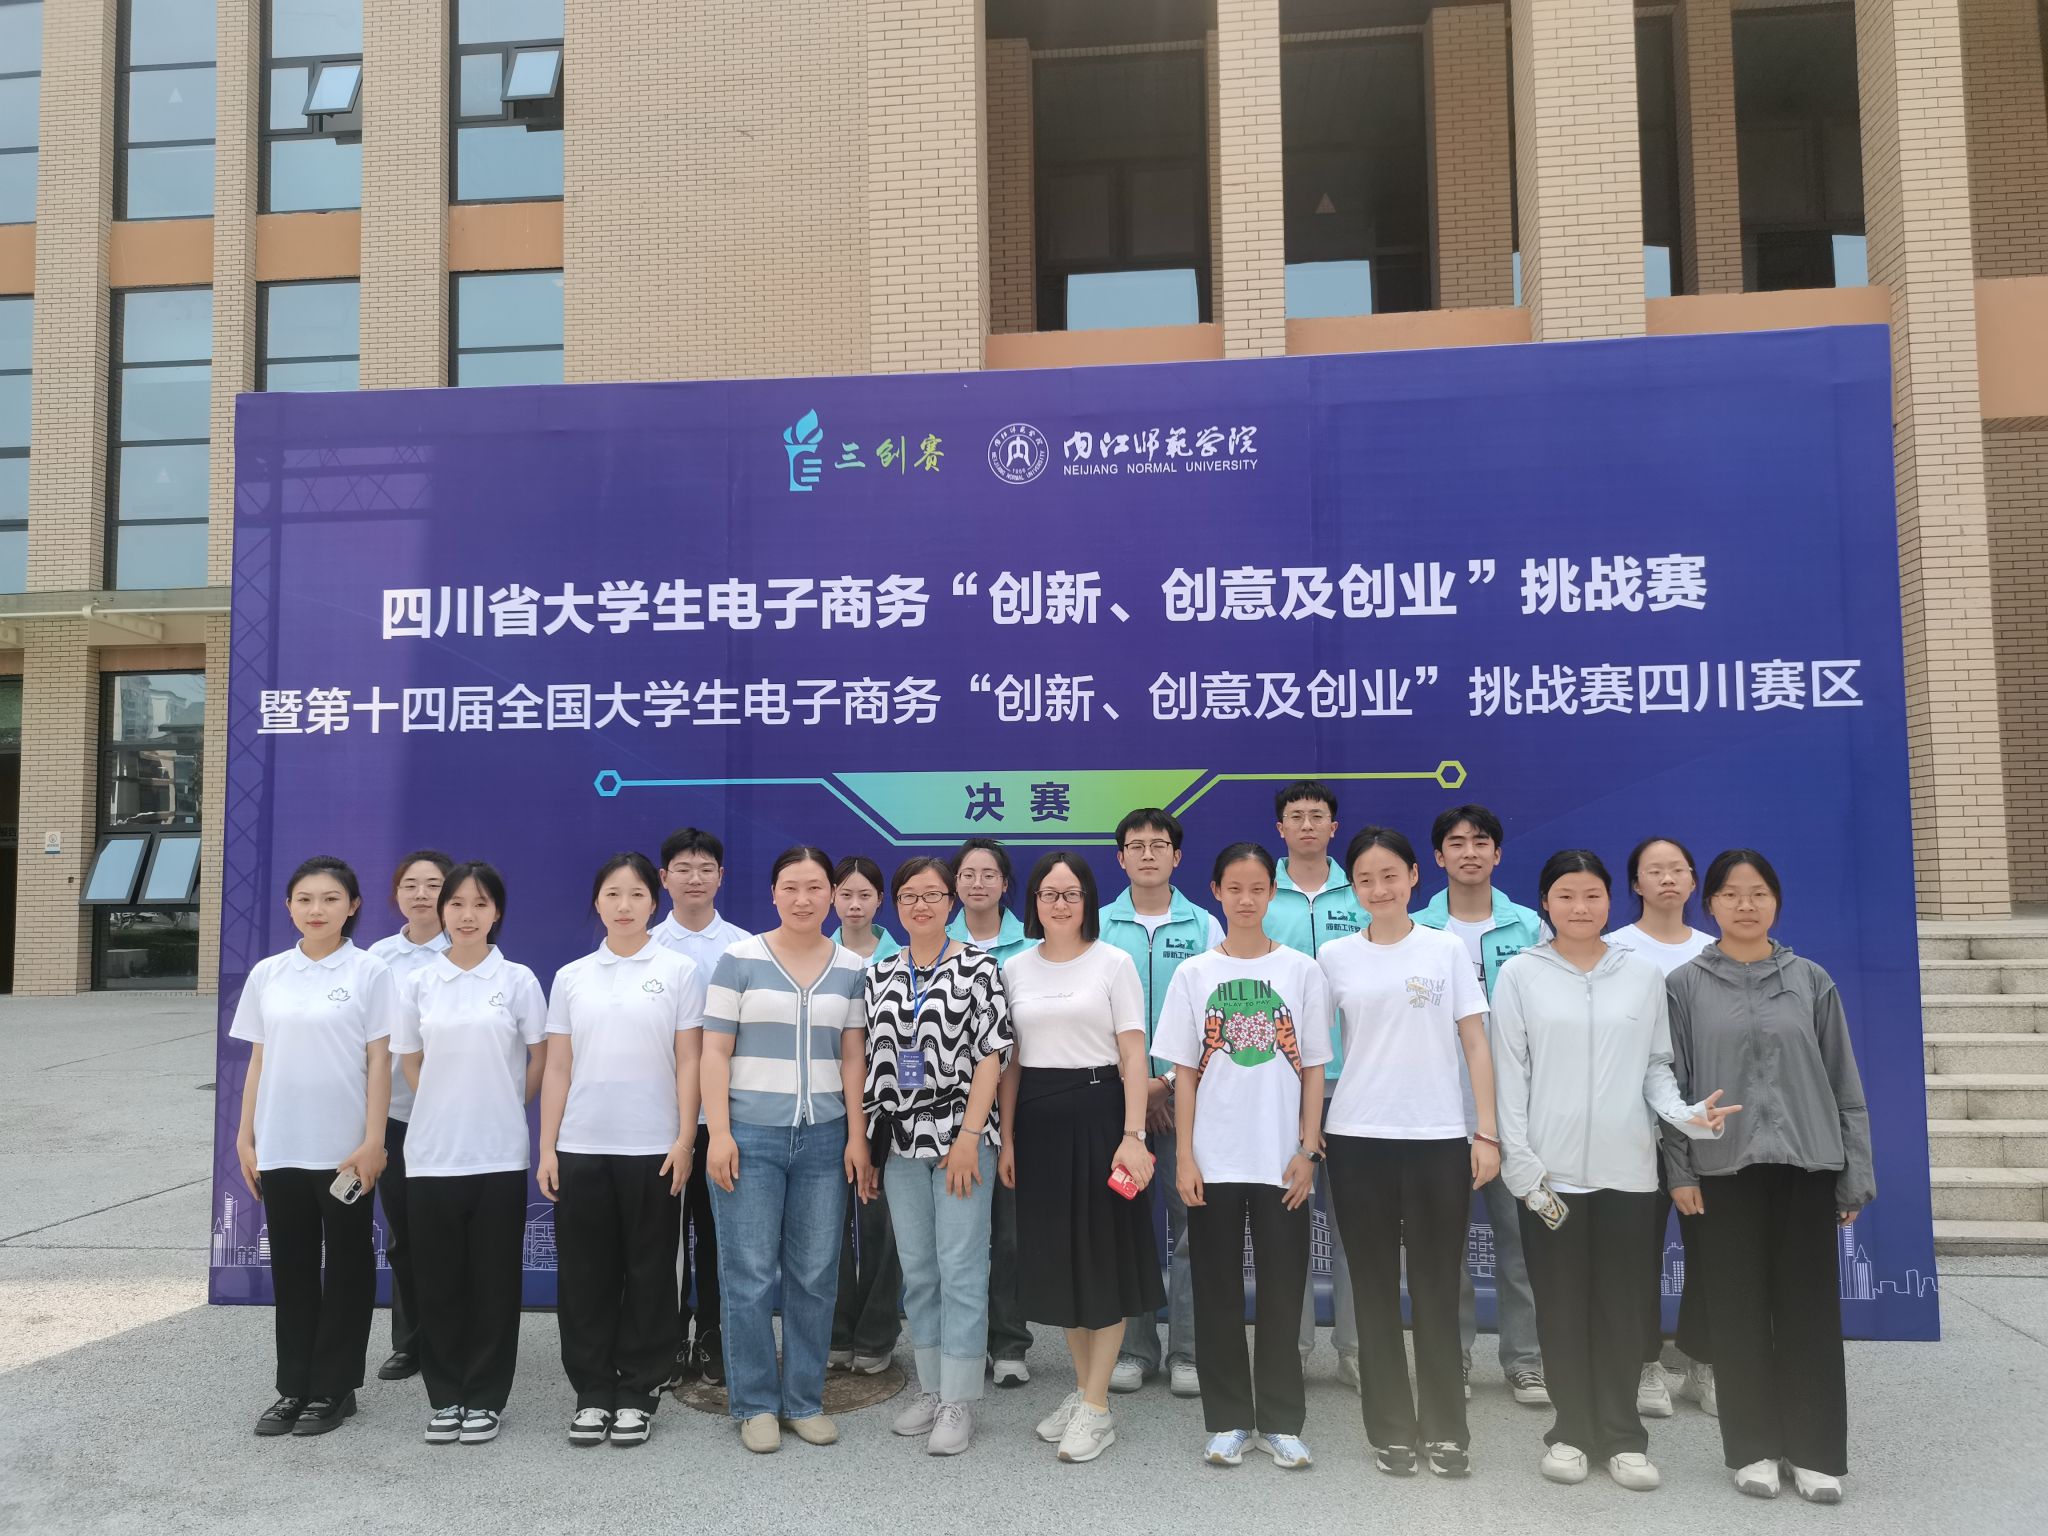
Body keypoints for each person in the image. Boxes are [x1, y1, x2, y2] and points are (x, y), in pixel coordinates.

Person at [1492, 850, 1737, 1493]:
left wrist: (1685, 1116)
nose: (1580, 907)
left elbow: (1656, 1066)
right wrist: (1521, 1163)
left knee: (1624, 1310)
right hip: (1549, 1177)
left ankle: (1625, 1438)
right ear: (1545, 903)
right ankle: (1571, 1433)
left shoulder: (1641, 974)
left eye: (1592, 895)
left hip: (1630, 1174)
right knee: (1561, 1307)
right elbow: (1509, 1074)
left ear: (1610, 900)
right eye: (1566, 895)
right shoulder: (1520, 974)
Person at [1665, 849, 1873, 1506]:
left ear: (1776, 902)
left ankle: (1814, 1455)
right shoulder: (1684, 985)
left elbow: (1844, 1083)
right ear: (1710, 904)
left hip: (1807, 1166)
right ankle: (1752, 1449)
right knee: (1738, 1313)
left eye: (1758, 893)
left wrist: (1854, 1174)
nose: (1745, 905)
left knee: (1810, 1313)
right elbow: (1673, 1088)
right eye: (1731, 894)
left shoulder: (1810, 980)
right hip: (1723, 1170)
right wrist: (1680, 1170)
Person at [1317, 828, 1495, 1479]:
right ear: (1353, 888)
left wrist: (1486, 1132)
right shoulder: (1334, 957)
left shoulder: (1444, 949)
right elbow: (1312, 1053)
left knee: (1436, 1287)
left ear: (1415, 876)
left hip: (1437, 1138)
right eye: (1365, 879)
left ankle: (1446, 1430)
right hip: (1357, 1137)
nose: (1379, 888)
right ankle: (1391, 1429)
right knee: (1371, 1290)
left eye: (1389, 875)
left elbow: (1475, 1042)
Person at [1156, 842, 1331, 1472]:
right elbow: (1183, 1072)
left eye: (1258, 888)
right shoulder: (1194, 974)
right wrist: (1184, 1157)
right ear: (1217, 893)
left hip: (1282, 1161)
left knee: (1284, 1292)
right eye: (1234, 888)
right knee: (1217, 1293)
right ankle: (1228, 1420)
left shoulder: (1301, 971)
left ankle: (1281, 1421)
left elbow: (1314, 1067)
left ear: (1271, 893)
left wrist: (1309, 1148)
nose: (1247, 899)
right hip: (1214, 1161)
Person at [701, 846, 873, 1455]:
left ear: (832, 895)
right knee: (748, 1275)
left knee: (816, 1274)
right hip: (749, 1135)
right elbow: (714, 1051)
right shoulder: (739, 960)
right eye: (791, 887)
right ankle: (754, 1403)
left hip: (825, 1138)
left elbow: (852, 1057)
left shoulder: (851, 967)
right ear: (773, 893)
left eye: (815, 887)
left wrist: (856, 1136)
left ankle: (803, 1399)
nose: (803, 899)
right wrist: (719, 1133)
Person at [537, 853, 707, 1449]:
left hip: (653, 1147)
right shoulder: (572, 976)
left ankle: (638, 1390)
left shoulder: (679, 970)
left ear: (653, 903)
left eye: (636, 894)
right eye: (613, 894)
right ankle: (591, 1390)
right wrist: (549, 1147)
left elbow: (690, 1059)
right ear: (597, 903)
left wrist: (685, 1140)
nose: (625, 905)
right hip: (582, 1144)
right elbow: (557, 1066)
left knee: (651, 1272)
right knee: (586, 1276)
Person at [997, 852, 1161, 1464]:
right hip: (1038, 1123)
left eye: (1070, 893)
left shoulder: (1113, 963)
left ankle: (1096, 1407)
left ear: (1088, 900)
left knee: (1102, 1260)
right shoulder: (1015, 968)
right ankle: (1085, 1391)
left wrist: (1133, 1134)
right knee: (1061, 1263)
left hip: (1101, 1119)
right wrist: (1008, 1138)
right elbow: (1011, 1064)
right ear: (1034, 903)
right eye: (1048, 893)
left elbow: (1134, 1055)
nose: (1059, 903)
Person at [232, 856, 396, 1438]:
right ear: (289, 907)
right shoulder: (268, 973)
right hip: (281, 1144)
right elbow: (257, 1061)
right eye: (304, 899)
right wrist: (245, 1135)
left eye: (330, 899)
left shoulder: (371, 972)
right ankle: (293, 1387)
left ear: (352, 906)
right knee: (293, 1268)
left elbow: (381, 1060)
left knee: (348, 1267)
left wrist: (374, 1140)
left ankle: (335, 1387)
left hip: (344, 1152)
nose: (316, 909)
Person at [391, 861, 548, 1446]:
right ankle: (446, 1396)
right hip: (432, 1153)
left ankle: (484, 1397)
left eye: (480, 904)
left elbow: (541, 1055)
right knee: (438, 1281)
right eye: (456, 903)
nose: (466, 915)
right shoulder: (418, 982)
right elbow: (409, 1058)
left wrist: (510, 1102)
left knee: (493, 1282)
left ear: (496, 912)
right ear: (442, 911)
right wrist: (438, 1100)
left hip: (499, 1153)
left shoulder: (518, 980)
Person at [863, 856, 1013, 1456]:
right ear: (895, 905)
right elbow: (870, 1064)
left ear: (950, 902)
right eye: (908, 896)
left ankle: (960, 1400)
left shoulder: (979, 967)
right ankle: (930, 1388)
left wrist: (970, 1138)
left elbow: (991, 1055)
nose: (920, 905)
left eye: (931, 895)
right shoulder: (879, 974)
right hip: (900, 1141)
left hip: (960, 1140)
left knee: (961, 1268)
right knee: (919, 1269)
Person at [1413, 803, 1548, 1408]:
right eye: (1456, 842)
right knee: (1445, 1252)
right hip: (1441, 1113)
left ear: (1497, 853)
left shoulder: (1530, 928)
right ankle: (1454, 1359)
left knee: (1522, 1246)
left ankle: (1526, 1361)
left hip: (1516, 1115)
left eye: (1481, 842)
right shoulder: (1416, 929)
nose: (1469, 852)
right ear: (1437, 856)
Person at [1098, 807, 1220, 1399]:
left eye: (1158, 844)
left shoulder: (1206, 928)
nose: (1147, 854)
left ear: (1177, 856)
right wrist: (1134, 1092)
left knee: (1192, 1225)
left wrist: (1166, 1083)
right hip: (1118, 1109)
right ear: (1120, 857)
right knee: (1125, 1226)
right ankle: (1134, 1349)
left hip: (1187, 1102)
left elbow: (1217, 1018)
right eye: (1136, 845)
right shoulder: (1098, 925)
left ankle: (1189, 1351)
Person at [1603, 836, 1716, 1420]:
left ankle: (1703, 1362)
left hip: (1704, 1129)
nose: (1667, 879)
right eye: (1654, 870)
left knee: (1714, 1253)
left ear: (1693, 881)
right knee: (1635, 1256)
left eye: (1678, 869)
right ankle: (1644, 1362)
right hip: (1639, 1128)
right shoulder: (1614, 949)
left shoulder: (1715, 950)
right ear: (1636, 884)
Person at [1261, 782, 1363, 1386]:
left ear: (1333, 826)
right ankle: (1291, 1347)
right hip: (1279, 1083)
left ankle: (1356, 1348)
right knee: (1287, 1221)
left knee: (1356, 1224)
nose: (1306, 825)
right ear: (1280, 829)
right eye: (1295, 817)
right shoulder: (1262, 894)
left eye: (1316, 816)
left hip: (1356, 1082)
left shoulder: (1363, 891)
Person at [650, 826, 752, 1389]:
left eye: (705, 868)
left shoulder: (743, 947)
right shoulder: (644, 945)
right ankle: (665, 1340)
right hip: (659, 1119)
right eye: (683, 869)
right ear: (663, 878)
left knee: (719, 1237)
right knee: (662, 1238)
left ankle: (713, 1335)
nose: (695, 878)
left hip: (722, 1119)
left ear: (721, 877)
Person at [948, 836, 1038, 1388]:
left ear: (1006, 884)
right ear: (954, 884)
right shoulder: (935, 945)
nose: (977, 883)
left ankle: (1008, 1342)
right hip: (949, 1115)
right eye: (968, 874)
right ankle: (962, 1344)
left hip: (1018, 1107)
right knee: (959, 1238)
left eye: (989, 874)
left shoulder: (1032, 949)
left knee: (1008, 1233)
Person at [365, 849, 453, 1385]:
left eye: (434, 884)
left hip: (452, 1118)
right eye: (411, 885)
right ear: (396, 894)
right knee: (403, 1234)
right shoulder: (378, 958)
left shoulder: (466, 952)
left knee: (448, 1233)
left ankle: (452, 1335)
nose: (422, 894)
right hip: (395, 1115)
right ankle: (411, 1341)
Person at [828, 855, 904, 1376]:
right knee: (827, 1228)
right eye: (846, 894)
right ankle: (834, 1333)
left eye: (865, 895)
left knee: (881, 1225)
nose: (854, 905)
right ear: (833, 897)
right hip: (826, 1106)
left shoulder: (902, 958)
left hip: (885, 1111)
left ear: (880, 900)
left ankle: (876, 1334)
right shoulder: (816, 954)